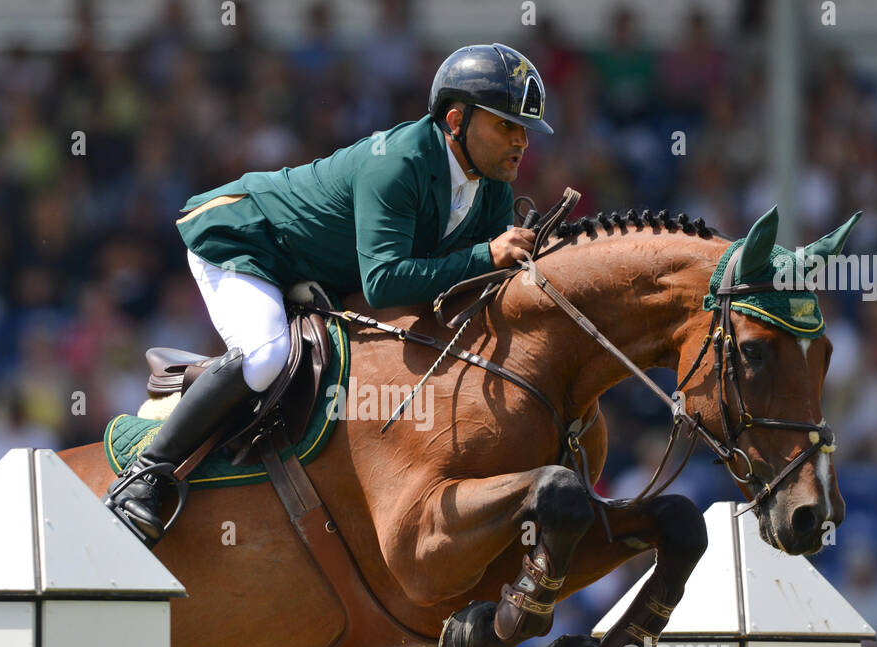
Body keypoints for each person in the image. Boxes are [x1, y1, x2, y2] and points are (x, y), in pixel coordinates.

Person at [104, 43, 554, 546]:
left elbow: (468, 289)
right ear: (456, 119)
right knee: (266, 356)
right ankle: (144, 477)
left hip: (314, 268)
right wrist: (484, 257)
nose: (521, 142)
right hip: (244, 239)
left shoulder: (491, 183)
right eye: (506, 126)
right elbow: (384, 284)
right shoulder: (400, 163)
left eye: (525, 131)